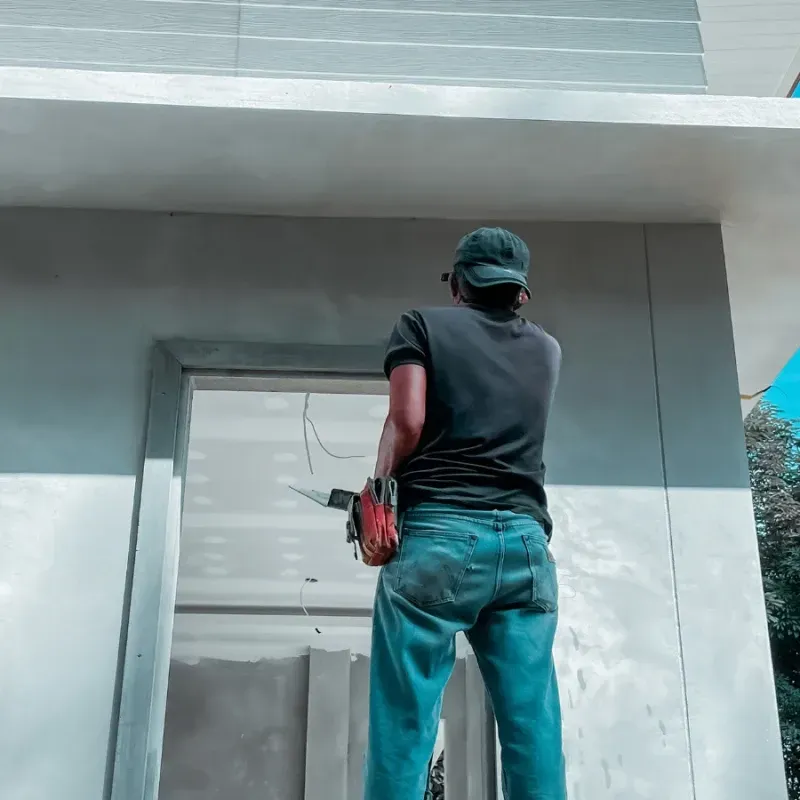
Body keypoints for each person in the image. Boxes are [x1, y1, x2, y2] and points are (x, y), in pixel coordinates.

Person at [363, 227, 566, 800]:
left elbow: (407, 421)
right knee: (533, 725)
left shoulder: (420, 325)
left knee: (404, 717)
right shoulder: (547, 349)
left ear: (458, 284)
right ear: (519, 293)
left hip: (440, 537)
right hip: (526, 547)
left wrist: (377, 489)